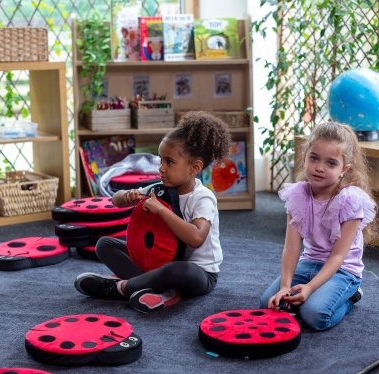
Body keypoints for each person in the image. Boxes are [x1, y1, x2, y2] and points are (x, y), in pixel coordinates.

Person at [74, 111, 232, 313]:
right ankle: (153, 288)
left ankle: (123, 287)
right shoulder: (158, 189)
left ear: (195, 167)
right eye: (161, 161)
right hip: (158, 262)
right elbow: (116, 200)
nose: (161, 168)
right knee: (104, 245)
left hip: (197, 273)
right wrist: (127, 195)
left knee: (177, 269)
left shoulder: (202, 198)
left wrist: (160, 210)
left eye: (169, 162)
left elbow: (196, 237)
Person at [259, 121, 377, 331]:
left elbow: (338, 256)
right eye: (314, 158)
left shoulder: (350, 200)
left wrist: (310, 288)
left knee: (314, 316)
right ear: (304, 158)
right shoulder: (298, 195)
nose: (320, 167)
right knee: (269, 304)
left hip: (343, 270)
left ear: (344, 169)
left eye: (331, 163)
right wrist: (286, 286)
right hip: (310, 263)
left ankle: (351, 297)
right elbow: (291, 247)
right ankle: (306, 297)